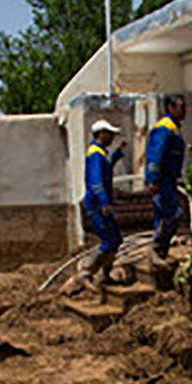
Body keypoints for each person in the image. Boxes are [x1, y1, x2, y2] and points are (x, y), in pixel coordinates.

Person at [79, 119, 126, 300]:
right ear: (100, 134)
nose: (112, 137)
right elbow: (97, 181)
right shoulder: (96, 154)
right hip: (98, 206)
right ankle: (86, 272)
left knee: (115, 239)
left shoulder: (101, 153)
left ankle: (105, 275)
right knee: (109, 240)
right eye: (109, 133)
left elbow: (106, 171)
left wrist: (117, 154)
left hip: (100, 205)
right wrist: (104, 202)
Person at [145, 94, 187, 267]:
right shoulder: (165, 128)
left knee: (164, 215)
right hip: (163, 180)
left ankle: (160, 254)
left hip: (169, 179)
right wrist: (153, 180)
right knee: (172, 213)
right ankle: (155, 250)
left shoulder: (174, 128)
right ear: (170, 108)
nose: (184, 110)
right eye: (181, 106)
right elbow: (156, 155)